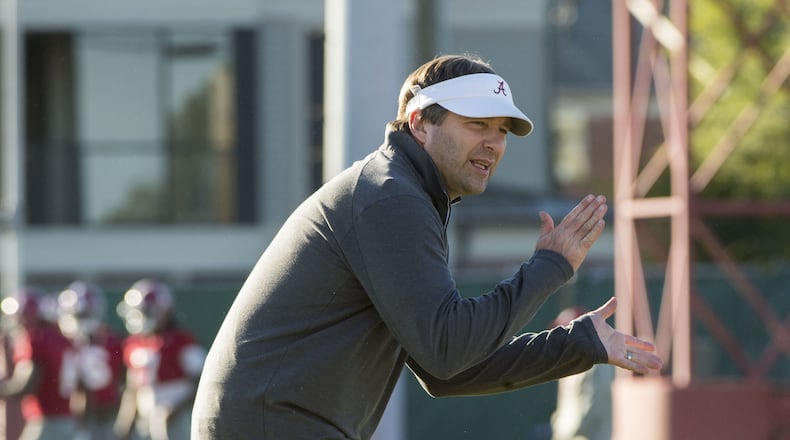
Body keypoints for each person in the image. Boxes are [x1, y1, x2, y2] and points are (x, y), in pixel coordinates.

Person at [191, 53, 663, 440]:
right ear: (419, 122)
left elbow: (447, 370)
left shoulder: (402, 192)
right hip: (275, 425)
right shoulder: (391, 196)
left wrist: (579, 344)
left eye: (502, 130)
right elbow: (447, 349)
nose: (494, 143)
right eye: (478, 123)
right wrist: (549, 266)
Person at [113, 279, 206, 440]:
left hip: (179, 418)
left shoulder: (181, 341)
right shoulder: (133, 343)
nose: (142, 317)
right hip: (145, 418)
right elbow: (133, 388)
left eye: (146, 311)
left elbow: (202, 382)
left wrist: (176, 409)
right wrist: (124, 424)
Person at [0, 286, 78, 440]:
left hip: (45, 420)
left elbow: (26, 384)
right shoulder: (61, 338)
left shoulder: (34, 339)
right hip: (68, 419)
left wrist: (4, 389)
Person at [56, 280, 125, 440]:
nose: (82, 319)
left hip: (103, 414)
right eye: (79, 315)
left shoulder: (111, 342)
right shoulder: (62, 343)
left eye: (85, 314)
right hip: (67, 416)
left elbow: (122, 380)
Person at [549, 307, 614, 440]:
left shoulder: (596, 361)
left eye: (566, 329)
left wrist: (572, 429)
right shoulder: (570, 361)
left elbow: (596, 401)